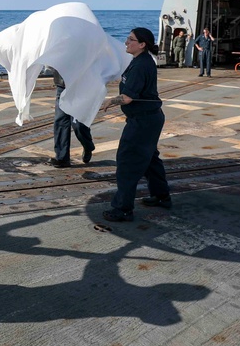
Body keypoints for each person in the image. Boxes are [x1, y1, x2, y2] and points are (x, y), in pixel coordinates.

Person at [100, 27, 171, 222]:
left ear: (142, 44)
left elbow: (128, 97)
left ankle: (122, 208)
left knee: (127, 162)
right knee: (149, 160)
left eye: (131, 39)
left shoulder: (141, 65)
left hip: (143, 121)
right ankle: (161, 195)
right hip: (149, 119)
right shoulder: (140, 61)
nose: (126, 42)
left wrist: (109, 101)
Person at [47, 68, 95, 168]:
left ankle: (88, 146)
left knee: (78, 124)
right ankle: (62, 158)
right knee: (61, 121)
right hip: (62, 85)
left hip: (81, 87)